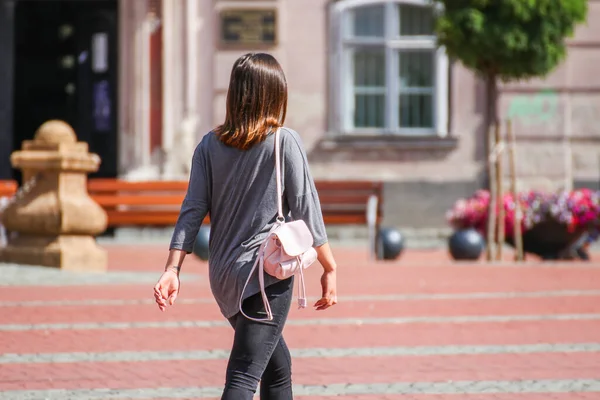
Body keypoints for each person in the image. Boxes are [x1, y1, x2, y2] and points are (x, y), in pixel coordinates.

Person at [153, 52, 339, 400]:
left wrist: (172, 269)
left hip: (224, 276)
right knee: (243, 376)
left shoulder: (209, 145)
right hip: (265, 274)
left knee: (277, 368)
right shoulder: (284, 141)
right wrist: (329, 267)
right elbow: (307, 208)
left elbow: (192, 209)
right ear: (275, 93)